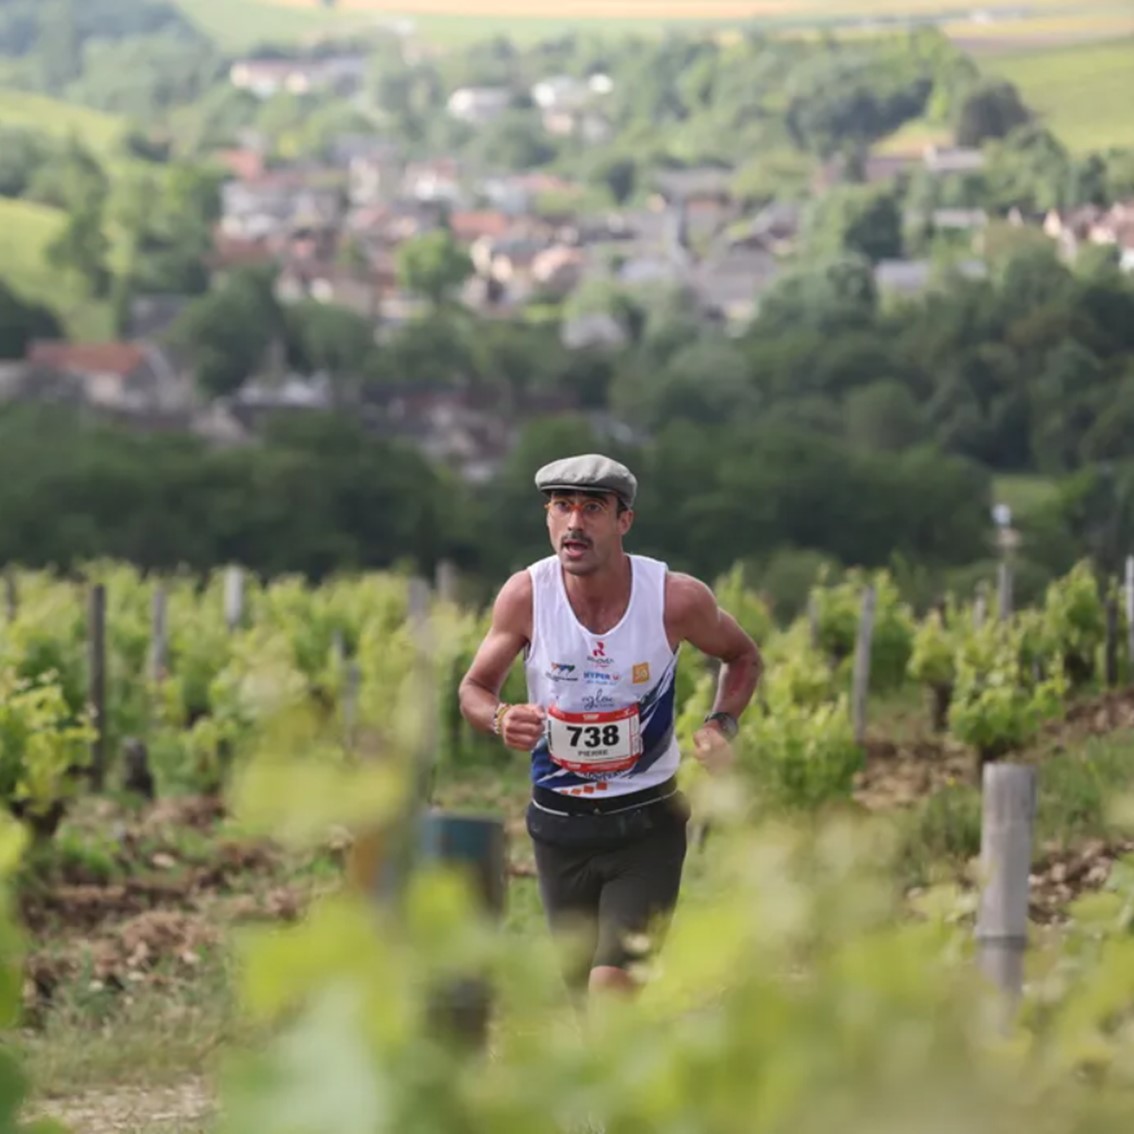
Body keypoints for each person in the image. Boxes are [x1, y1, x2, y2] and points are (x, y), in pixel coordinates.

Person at [457, 453, 762, 1000]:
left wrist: (722, 723)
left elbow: (742, 656)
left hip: (645, 828)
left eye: (592, 509)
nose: (574, 523)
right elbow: (473, 690)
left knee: (611, 996)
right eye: (562, 508)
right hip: (558, 829)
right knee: (586, 1006)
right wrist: (501, 718)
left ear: (624, 521)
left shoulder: (675, 598)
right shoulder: (526, 595)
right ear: (548, 518)